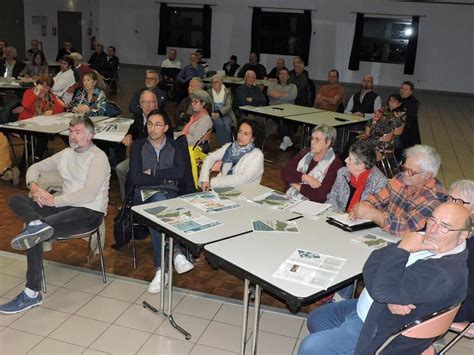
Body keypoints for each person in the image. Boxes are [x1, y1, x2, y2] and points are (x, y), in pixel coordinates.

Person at [298, 202, 471, 355]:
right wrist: (388, 293)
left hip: (381, 327)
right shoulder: (436, 243)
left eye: (444, 227)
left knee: (311, 348)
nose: (432, 229)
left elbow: (382, 286)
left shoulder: (444, 273)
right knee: (317, 318)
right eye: (432, 220)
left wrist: (403, 249)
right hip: (372, 306)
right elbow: (374, 259)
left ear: (463, 235)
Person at [0, 116, 110, 314]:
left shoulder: (99, 158)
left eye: (78, 132)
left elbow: (88, 194)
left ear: (90, 136)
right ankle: (36, 223)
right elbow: (36, 167)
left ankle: (31, 293)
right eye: (71, 132)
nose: (73, 137)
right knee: (16, 200)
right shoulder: (66, 154)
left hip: (89, 212)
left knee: (35, 233)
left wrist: (53, 201)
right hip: (63, 206)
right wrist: (33, 186)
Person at [129, 109, 194, 293]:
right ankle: (176, 252)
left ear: (165, 127)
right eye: (150, 124)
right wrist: (166, 179)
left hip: (171, 195)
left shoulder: (175, 146)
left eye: (158, 124)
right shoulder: (138, 146)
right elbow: (137, 178)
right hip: (143, 195)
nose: (153, 128)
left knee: (160, 211)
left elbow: (179, 173)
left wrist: (154, 173)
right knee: (158, 200)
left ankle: (161, 271)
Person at [350, 144, 446, 237]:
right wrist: (365, 206)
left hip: (408, 244)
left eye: (411, 172)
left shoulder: (435, 199)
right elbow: (377, 198)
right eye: (404, 168)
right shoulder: (400, 178)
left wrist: (373, 214)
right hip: (387, 235)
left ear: (427, 175)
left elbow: (407, 228)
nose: (405, 173)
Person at [281, 125, 343, 203]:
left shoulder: (335, 164)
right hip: (289, 198)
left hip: (312, 205)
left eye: (317, 139)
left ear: (328, 142)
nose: (312, 142)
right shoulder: (305, 153)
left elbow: (320, 195)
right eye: (312, 138)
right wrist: (305, 177)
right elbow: (284, 172)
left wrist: (292, 183)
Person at [199, 119, 264, 190]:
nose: (240, 136)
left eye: (246, 134)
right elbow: (210, 157)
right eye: (240, 132)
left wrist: (213, 181)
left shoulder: (257, 155)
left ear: (253, 139)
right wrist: (204, 179)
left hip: (244, 193)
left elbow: (243, 179)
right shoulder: (230, 146)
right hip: (221, 189)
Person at [116, 90, 158, 200]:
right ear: (140, 105)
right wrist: (129, 135)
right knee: (120, 168)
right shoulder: (140, 117)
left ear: (156, 104)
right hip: (139, 157)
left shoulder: (160, 120)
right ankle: (126, 201)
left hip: (155, 159)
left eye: (150, 102)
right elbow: (133, 128)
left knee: (132, 171)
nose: (147, 105)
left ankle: (137, 200)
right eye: (144, 102)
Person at [327, 140, 388, 213]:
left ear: (361, 165)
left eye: (350, 159)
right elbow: (332, 197)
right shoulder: (342, 173)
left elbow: (377, 213)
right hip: (338, 218)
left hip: (361, 222)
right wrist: (337, 214)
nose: (345, 160)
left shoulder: (379, 183)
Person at [19, 75, 65, 161]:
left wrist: (52, 111)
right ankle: (23, 163)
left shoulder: (50, 95)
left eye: (47, 87)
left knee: (43, 137)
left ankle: (37, 158)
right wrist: (36, 94)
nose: (45, 90)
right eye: (43, 87)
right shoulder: (29, 92)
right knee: (31, 141)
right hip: (25, 124)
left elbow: (60, 107)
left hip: (40, 125)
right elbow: (26, 105)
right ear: (38, 85)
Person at [449, 180, 474, 323]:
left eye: (459, 201)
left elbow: (467, 289)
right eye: (450, 198)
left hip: (459, 305)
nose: (451, 204)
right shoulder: (442, 221)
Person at [267, 67, 298, 150]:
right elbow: (271, 94)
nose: (282, 76)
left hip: (288, 110)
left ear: (288, 76)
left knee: (284, 119)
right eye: (281, 74)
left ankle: (284, 139)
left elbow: (292, 97)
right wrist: (285, 94)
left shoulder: (293, 86)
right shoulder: (272, 84)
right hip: (273, 109)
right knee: (281, 119)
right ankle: (285, 139)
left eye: (285, 74)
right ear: (278, 75)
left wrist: (278, 95)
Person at [208, 74, 236, 146]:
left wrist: (220, 113)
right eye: (212, 82)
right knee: (220, 124)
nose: (214, 84)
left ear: (221, 83)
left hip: (227, 113)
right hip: (213, 114)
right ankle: (222, 147)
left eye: (216, 82)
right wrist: (211, 113)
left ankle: (227, 146)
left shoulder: (227, 92)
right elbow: (207, 105)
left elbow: (228, 106)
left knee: (227, 125)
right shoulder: (209, 92)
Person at [399, 80, 421, 149]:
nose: (402, 91)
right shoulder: (398, 99)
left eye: (406, 89)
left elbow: (408, 121)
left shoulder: (413, 103)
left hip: (408, 135)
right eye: (402, 88)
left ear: (411, 92)